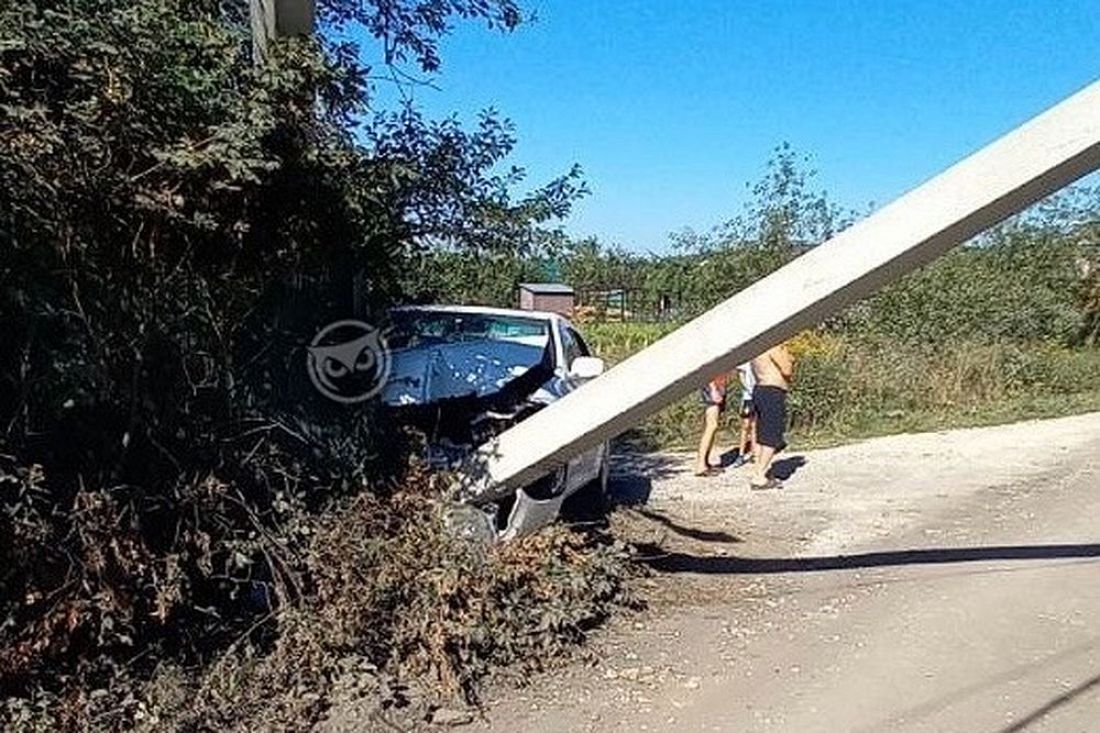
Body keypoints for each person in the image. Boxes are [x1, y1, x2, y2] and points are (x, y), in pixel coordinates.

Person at [749, 343, 794, 490]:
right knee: (772, 435)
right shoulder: (774, 347)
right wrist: (788, 356)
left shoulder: (756, 349)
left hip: (760, 389)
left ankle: (758, 471)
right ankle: (759, 476)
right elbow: (787, 370)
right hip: (772, 391)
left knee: (762, 434)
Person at [694, 372, 728, 476]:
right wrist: (713, 389)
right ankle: (700, 466)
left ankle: (705, 462)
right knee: (711, 426)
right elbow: (708, 370)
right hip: (712, 388)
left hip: (719, 386)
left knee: (713, 426)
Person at [732, 362, 756, 467]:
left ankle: (754, 453)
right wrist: (749, 389)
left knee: (755, 426)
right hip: (748, 396)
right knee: (745, 426)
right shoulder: (746, 360)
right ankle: (741, 454)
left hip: (759, 394)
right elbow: (741, 375)